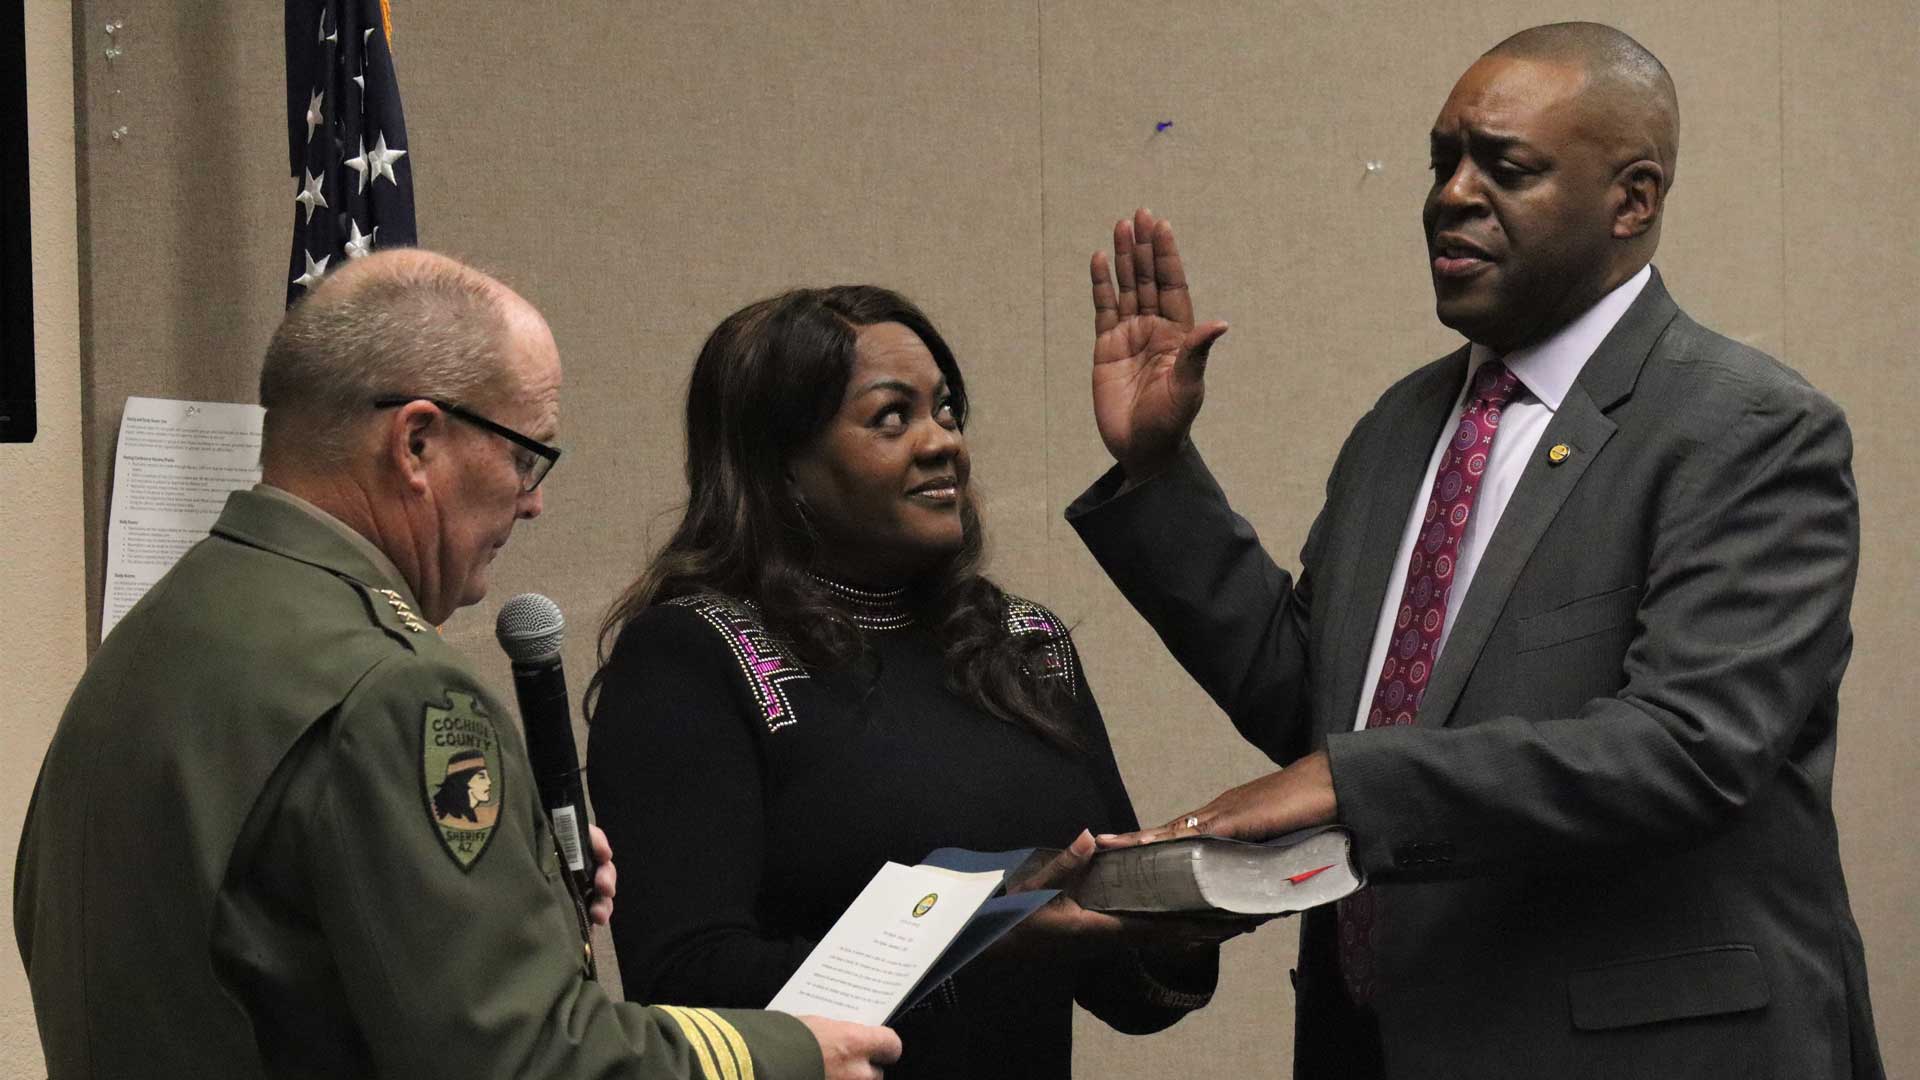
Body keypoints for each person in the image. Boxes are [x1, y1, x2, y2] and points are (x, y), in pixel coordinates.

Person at [1067, 23, 1883, 1080]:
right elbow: (1324, 708)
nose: (1451, 194)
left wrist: (1351, 783)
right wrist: (1158, 474)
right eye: (1442, 159)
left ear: (1632, 199)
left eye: (1504, 166)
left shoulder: (1750, 429)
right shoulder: (1403, 426)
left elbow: (1690, 745)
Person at [13, 249, 899, 1080]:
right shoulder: (392, 688)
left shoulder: (159, 637)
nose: (536, 499)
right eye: (526, 453)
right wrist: (781, 1053)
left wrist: (520, 894)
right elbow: (517, 1056)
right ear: (417, 443)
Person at [586, 286, 1240, 1080]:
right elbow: (683, 993)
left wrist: (1186, 913)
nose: (943, 444)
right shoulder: (693, 656)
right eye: (892, 418)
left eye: (948, 411)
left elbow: (1126, 994)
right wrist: (958, 942)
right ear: (780, 462)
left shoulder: (1024, 644)